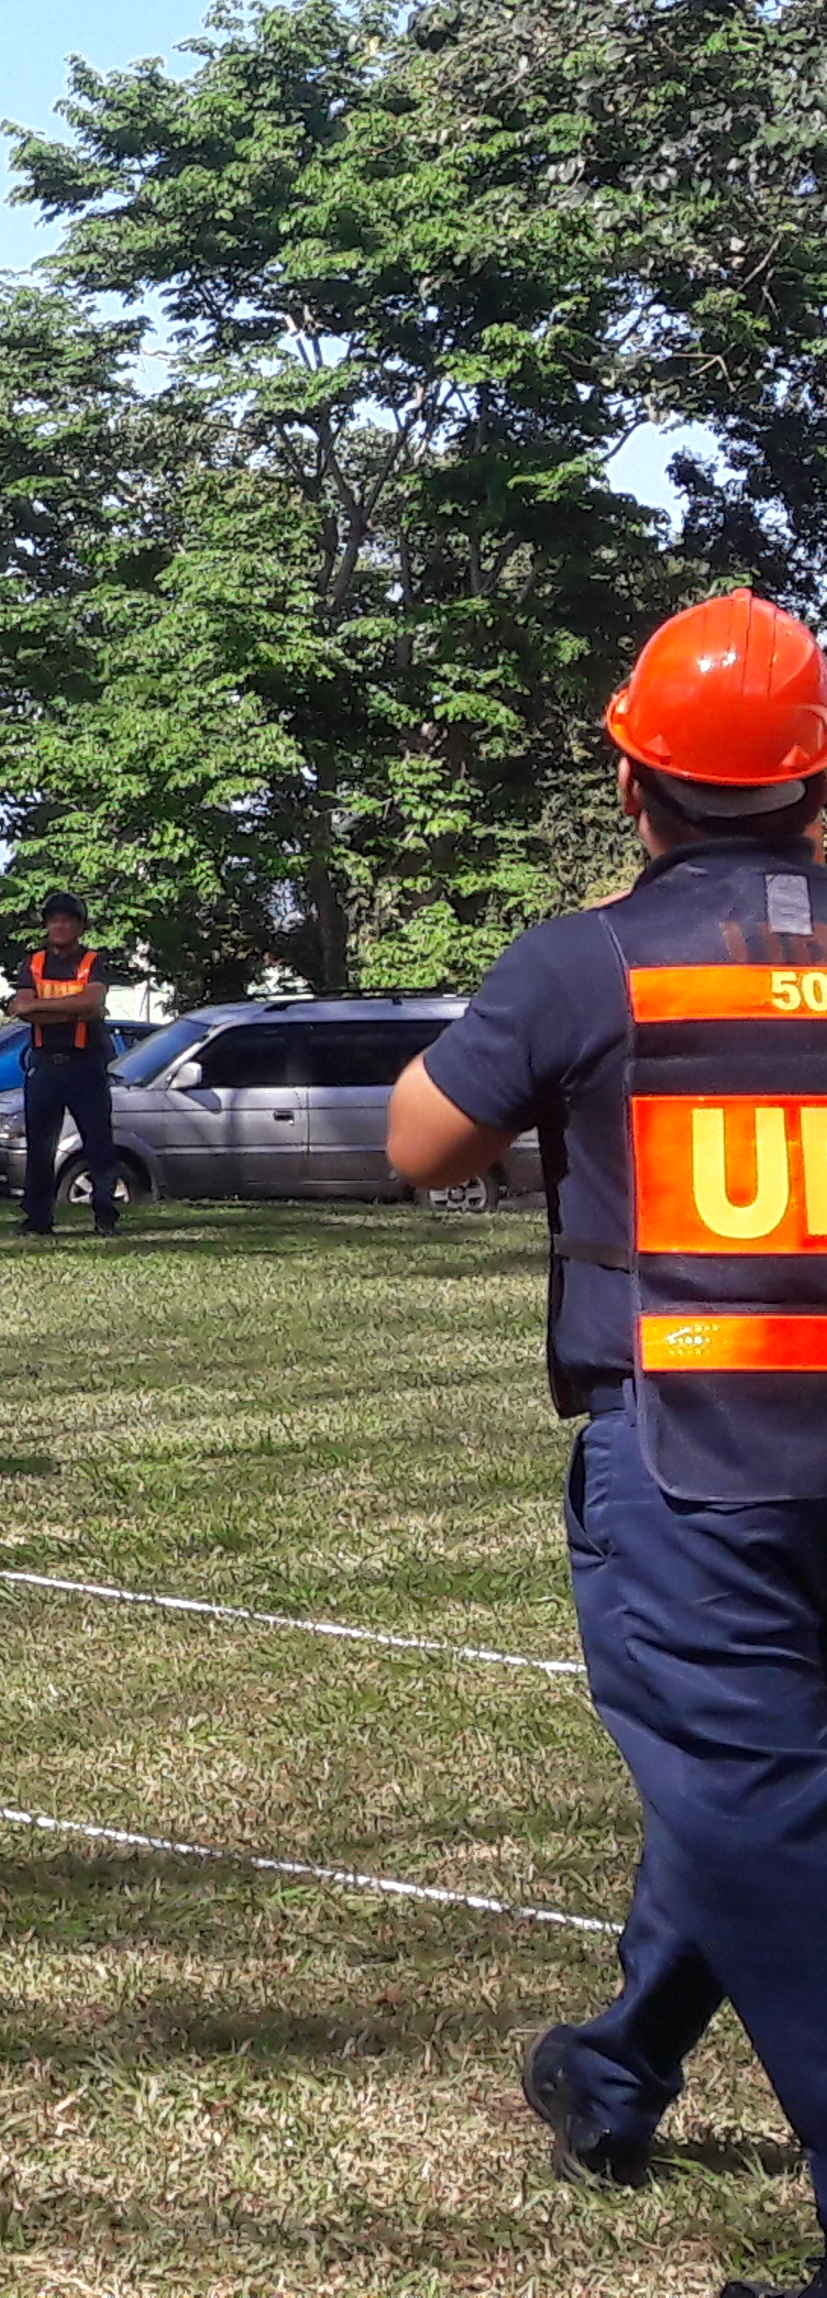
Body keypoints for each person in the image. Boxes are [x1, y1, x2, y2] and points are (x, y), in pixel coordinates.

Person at [387, 589, 827, 2298]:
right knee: (741, 1789)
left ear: (635, 786)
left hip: (693, 1456)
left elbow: (420, 1142)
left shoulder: (587, 957)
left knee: (750, 1803)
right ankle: (620, 2061)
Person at [1, 892, 120, 1234]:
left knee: (98, 1142)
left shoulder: (93, 961)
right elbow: (23, 1007)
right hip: (44, 1065)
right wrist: (75, 1009)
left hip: (87, 1064)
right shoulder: (34, 963)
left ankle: (105, 1214)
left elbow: (93, 1001)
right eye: (54, 919)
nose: (60, 925)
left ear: (81, 927)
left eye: (67, 920)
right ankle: (38, 1218)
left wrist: (43, 1009)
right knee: (40, 1144)